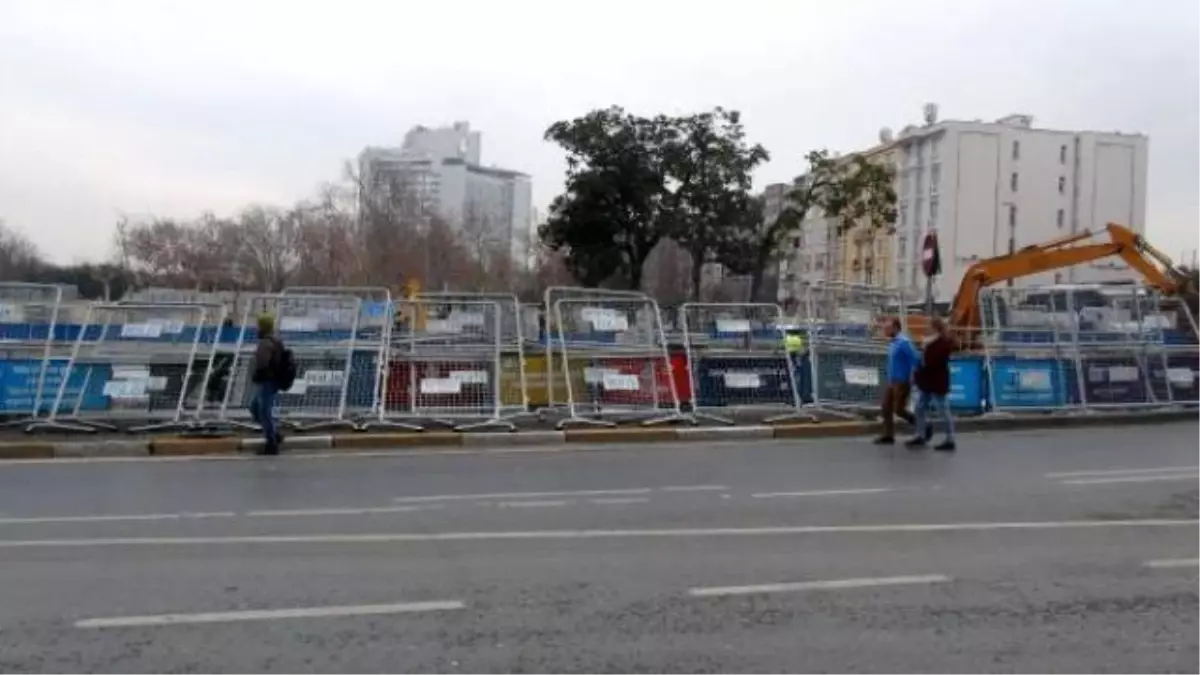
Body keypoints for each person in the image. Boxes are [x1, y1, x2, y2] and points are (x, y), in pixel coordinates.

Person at [907, 317, 957, 452]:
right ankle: (921, 435)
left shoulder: (942, 344)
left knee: (943, 410)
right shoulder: (929, 342)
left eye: (929, 326)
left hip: (937, 382)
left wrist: (923, 359)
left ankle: (950, 439)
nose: (927, 329)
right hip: (927, 382)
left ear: (936, 328)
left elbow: (933, 362)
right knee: (919, 407)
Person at [875, 317, 919, 445]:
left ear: (895, 327)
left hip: (902, 381)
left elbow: (915, 359)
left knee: (899, 410)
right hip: (892, 380)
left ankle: (923, 426)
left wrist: (913, 376)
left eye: (887, 329)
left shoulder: (904, 342)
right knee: (886, 406)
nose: (885, 331)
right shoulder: (893, 342)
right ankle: (888, 435)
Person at [250, 314, 284, 456]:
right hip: (271, 381)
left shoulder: (266, 343)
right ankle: (274, 434)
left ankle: (271, 442)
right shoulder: (274, 341)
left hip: (266, 381)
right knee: (257, 408)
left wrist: (258, 372)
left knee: (263, 411)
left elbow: (263, 363)